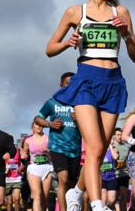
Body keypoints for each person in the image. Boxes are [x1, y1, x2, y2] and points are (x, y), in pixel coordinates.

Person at [46, 0, 135, 211]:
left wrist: (126, 34)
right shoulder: (76, 12)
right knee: (95, 147)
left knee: (98, 154)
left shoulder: (121, 11)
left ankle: (76, 191)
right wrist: (68, 43)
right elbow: (49, 49)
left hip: (113, 83)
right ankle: (97, 204)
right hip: (86, 80)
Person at [34, 72, 81, 211]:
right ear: (61, 85)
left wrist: (80, 119)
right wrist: (50, 124)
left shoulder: (80, 104)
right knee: (63, 179)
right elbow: (37, 118)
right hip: (58, 147)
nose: (70, 86)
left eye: (73, 84)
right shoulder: (52, 102)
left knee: (72, 184)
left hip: (75, 148)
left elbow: (91, 124)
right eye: (67, 83)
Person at [21, 122, 53, 211]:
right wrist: (23, 155)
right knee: (37, 195)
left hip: (47, 168)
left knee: (45, 197)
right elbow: (24, 152)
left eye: (41, 125)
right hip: (34, 168)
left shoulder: (48, 138)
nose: (39, 126)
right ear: (33, 126)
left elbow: (55, 152)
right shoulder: (28, 140)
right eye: (37, 124)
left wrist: (49, 151)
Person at [112, 128, 130, 211]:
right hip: (112, 174)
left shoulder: (127, 146)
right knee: (113, 197)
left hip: (124, 174)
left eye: (120, 135)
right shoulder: (111, 145)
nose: (119, 136)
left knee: (123, 195)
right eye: (118, 135)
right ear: (114, 135)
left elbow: (129, 160)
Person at [100, 144, 118, 210]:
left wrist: (110, 147)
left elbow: (115, 157)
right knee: (103, 199)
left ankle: (106, 209)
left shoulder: (114, 149)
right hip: (102, 177)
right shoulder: (101, 149)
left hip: (111, 177)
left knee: (112, 199)